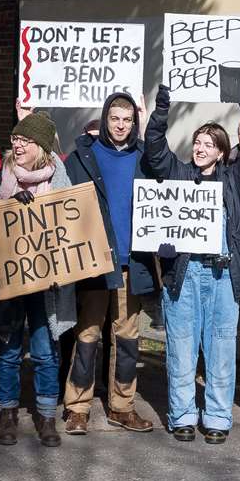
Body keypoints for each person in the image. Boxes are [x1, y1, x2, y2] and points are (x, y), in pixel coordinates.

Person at [144, 84, 240, 443]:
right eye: (197, 142)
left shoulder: (235, 178)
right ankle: (182, 414)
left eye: (208, 144)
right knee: (181, 346)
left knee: (221, 347)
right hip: (185, 273)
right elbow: (154, 150)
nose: (200, 148)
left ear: (222, 152)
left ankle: (216, 416)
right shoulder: (178, 173)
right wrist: (162, 111)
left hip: (224, 274)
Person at [60, 92, 155, 435]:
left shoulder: (145, 156)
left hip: (134, 262)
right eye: (115, 118)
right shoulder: (83, 156)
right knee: (86, 334)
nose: (120, 125)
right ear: (105, 118)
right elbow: (57, 191)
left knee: (127, 338)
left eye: (127, 120)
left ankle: (122, 406)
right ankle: (78, 407)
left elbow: (171, 167)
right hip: (95, 261)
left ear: (134, 123)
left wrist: (152, 121)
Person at [0, 111, 76, 447]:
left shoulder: (60, 176)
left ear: (41, 146)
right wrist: (9, 205)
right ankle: (6, 415)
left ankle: (46, 416)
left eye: (25, 140)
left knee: (45, 351)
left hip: (47, 285)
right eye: (15, 139)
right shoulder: (0, 176)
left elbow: (70, 223)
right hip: (12, 281)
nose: (17, 145)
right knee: (7, 351)